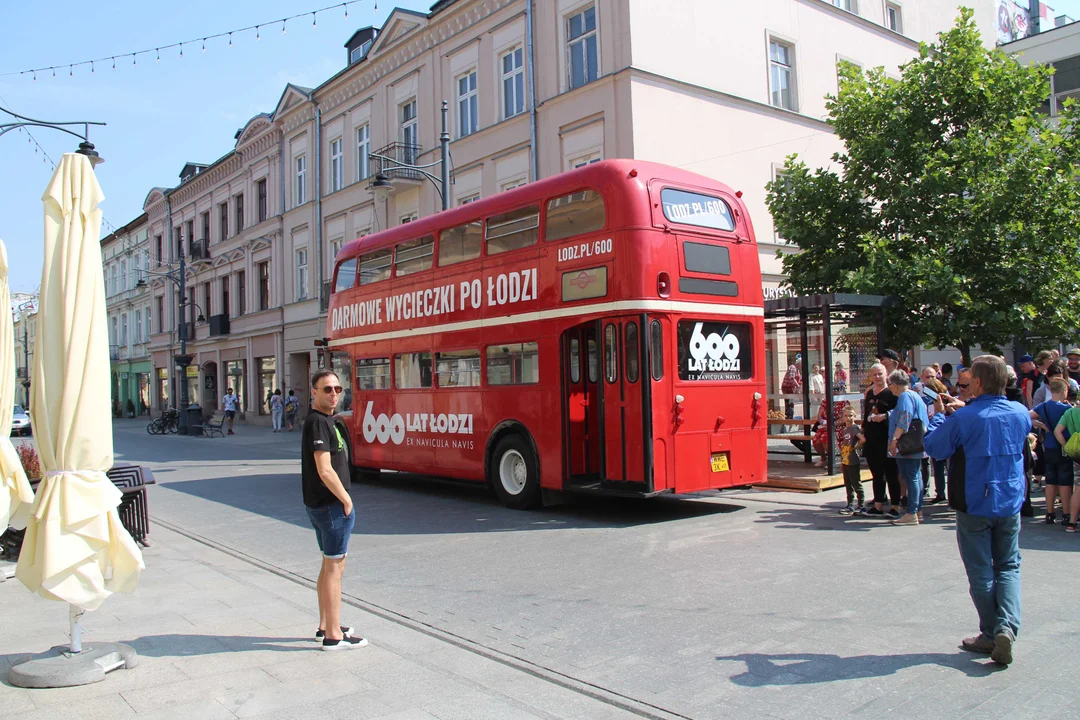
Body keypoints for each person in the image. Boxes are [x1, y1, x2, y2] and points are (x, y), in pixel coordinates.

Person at [925, 355, 1030, 666]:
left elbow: (935, 448)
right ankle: (1006, 628)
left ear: (980, 382)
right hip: (1010, 498)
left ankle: (990, 632)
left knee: (981, 570)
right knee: (1009, 566)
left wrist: (943, 416)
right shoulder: (1020, 412)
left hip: (975, 501)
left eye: (970, 379)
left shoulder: (965, 417)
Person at [302, 369, 366, 651]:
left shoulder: (326, 421)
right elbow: (325, 469)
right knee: (335, 568)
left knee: (329, 565)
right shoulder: (318, 423)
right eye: (327, 389)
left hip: (323, 505)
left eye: (338, 389)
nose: (333, 394)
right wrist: (346, 500)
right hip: (330, 506)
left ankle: (325, 625)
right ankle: (333, 635)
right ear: (314, 392)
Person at [886, 370, 930, 526]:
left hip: (907, 445)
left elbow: (905, 419)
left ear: (896, 385)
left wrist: (895, 440)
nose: (889, 387)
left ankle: (911, 512)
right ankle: (917, 510)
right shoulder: (914, 395)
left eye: (890, 384)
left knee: (910, 476)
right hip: (916, 444)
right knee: (915, 476)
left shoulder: (905, 396)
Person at [860, 363, 902, 518]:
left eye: (880, 374)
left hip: (887, 438)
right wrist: (862, 431)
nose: (877, 377)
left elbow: (899, 414)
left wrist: (885, 417)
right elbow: (866, 415)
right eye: (874, 374)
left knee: (891, 473)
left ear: (886, 375)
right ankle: (878, 505)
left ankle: (895, 507)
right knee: (876, 473)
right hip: (872, 440)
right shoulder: (870, 394)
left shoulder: (892, 394)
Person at [1035, 380, 1073, 525]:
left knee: (1050, 479)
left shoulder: (1043, 406)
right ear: (1064, 390)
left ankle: (1049, 513)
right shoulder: (1066, 409)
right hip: (1063, 446)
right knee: (1065, 480)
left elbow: (1028, 415)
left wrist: (1039, 424)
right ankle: (1066, 513)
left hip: (1049, 447)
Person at [1052, 398, 1080, 530]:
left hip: (1076, 452)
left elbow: (1057, 431)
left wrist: (1066, 446)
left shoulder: (1070, 413)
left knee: (1078, 488)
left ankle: (1072, 522)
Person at [838, 406, 865, 515]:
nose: (848, 418)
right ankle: (850, 504)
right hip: (846, 459)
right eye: (846, 416)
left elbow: (862, 439)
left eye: (850, 415)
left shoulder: (854, 428)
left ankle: (861, 504)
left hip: (853, 459)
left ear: (854, 416)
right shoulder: (845, 430)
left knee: (856, 483)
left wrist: (855, 447)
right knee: (848, 483)